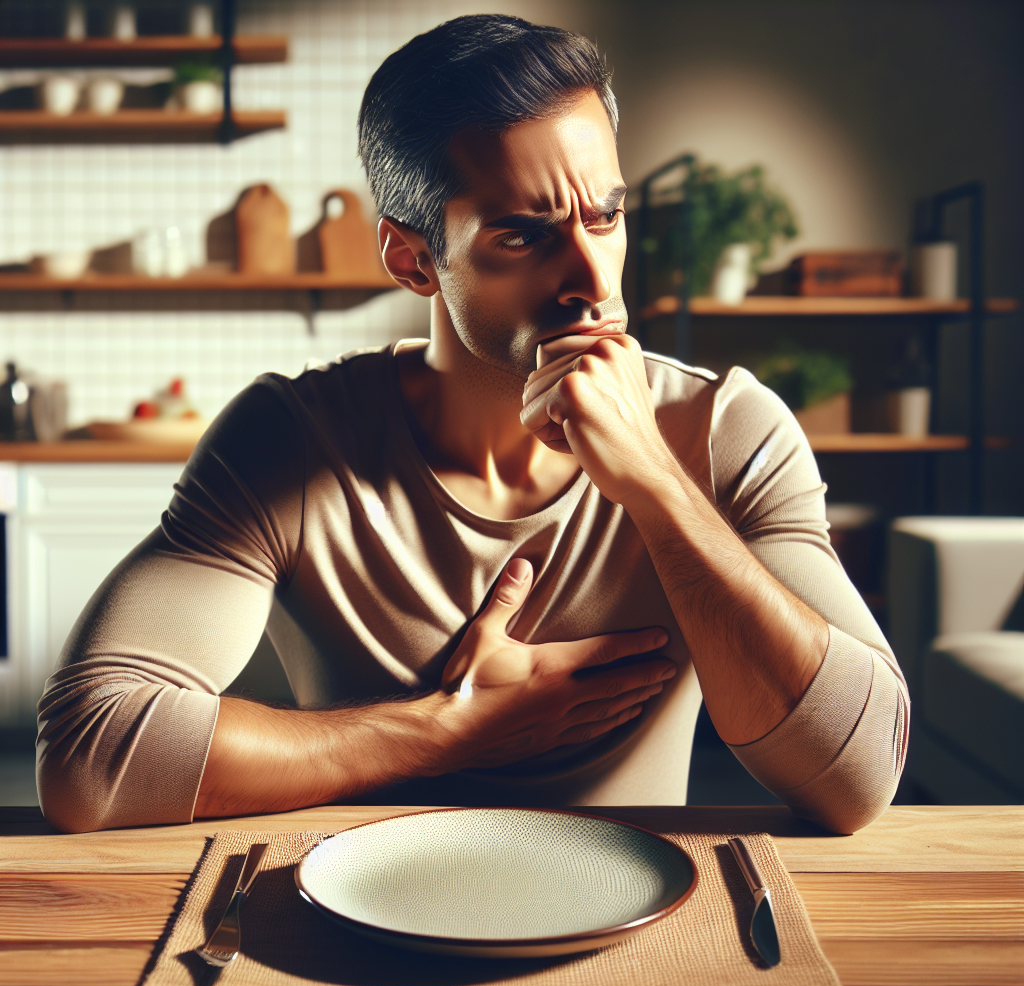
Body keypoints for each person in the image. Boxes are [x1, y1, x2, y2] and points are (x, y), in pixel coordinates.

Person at [37, 14, 908, 835]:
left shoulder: (727, 429)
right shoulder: (293, 439)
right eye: (525, 236)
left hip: (632, 931)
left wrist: (652, 480)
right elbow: (90, 758)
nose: (591, 277)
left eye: (605, 216)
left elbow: (857, 778)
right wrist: (445, 731)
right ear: (412, 258)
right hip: (348, 928)